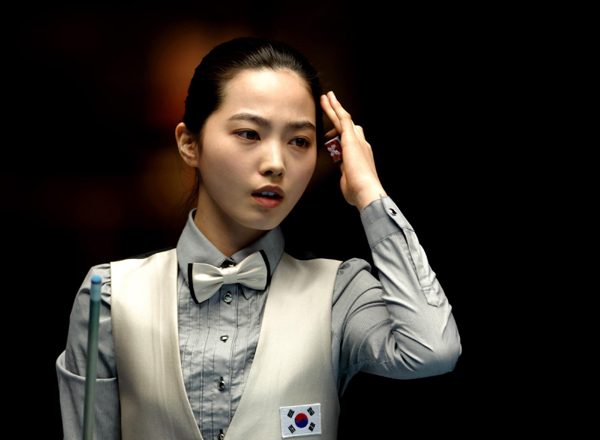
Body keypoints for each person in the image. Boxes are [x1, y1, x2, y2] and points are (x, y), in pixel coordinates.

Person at [56, 37, 461, 440]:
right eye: (249, 133)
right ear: (189, 143)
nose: (276, 164)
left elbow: (432, 350)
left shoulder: (339, 292)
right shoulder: (109, 296)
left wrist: (369, 192)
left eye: (299, 141)